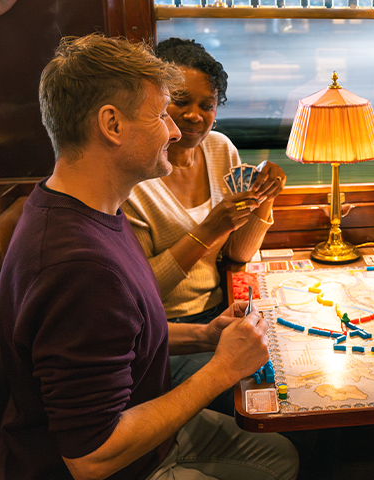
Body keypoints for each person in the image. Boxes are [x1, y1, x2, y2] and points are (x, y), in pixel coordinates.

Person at [0, 33, 297, 480]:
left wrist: (207, 336)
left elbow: (125, 334)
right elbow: (91, 457)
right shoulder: (79, 269)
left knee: (280, 456)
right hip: (124, 466)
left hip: (155, 439)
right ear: (112, 125)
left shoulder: (92, 209)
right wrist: (222, 370)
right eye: (161, 114)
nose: (178, 129)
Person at [122, 38, 287, 415]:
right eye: (181, 101)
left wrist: (266, 199)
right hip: (162, 334)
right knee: (269, 390)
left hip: (219, 311)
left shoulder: (220, 149)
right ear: (157, 101)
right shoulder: (135, 176)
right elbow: (139, 294)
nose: (195, 116)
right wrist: (207, 231)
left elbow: (238, 254)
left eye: (206, 105)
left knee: (290, 368)